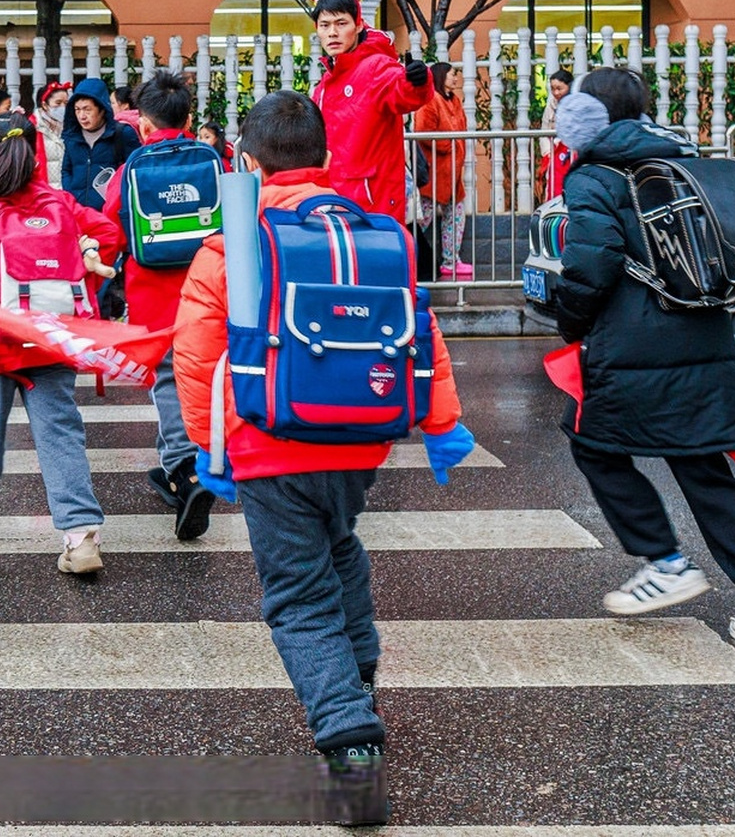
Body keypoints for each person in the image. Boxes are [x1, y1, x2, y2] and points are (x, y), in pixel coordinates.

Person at [174, 90, 473, 820]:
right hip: (361, 438)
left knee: (297, 594)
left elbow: (194, 354)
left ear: (242, 163)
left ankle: (349, 739)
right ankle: (358, 670)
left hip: (270, 443)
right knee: (338, 547)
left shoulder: (231, 246)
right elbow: (418, 328)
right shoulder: (375, 233)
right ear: (328, 158)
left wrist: (206, 452)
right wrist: (441, 425)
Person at [550, 66, 735, 644]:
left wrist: (569, 317)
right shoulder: (678, 156)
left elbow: (593, 262)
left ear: (584, 118)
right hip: (704, 335)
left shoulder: (595, 174)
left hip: (633, 342)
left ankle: (665, 563)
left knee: (593, 444)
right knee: (701, 463)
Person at [0, 113, 120, 574]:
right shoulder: (58, 201)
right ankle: (80, 537)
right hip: (48, 332)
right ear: (36, 153)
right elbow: (109, 233)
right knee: (60, 431)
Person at [98, 70, 220, 539]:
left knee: (168, 377)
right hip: (207, 287)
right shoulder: (212, 160)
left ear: (143, 126)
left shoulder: (133, 168)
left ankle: (183, 468)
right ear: (189, 118)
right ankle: (184, 457)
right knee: (203, 374)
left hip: (153, 294)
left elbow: (111, 226)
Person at [308, 0, 431, 224]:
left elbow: (404, 93)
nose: (332, 32)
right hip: (336, 198)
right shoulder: (326, 83)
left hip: (372, 203)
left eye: (341, 23)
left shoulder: (377, 66)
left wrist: (418, 80)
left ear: (359, 25)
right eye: (325, 25)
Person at [416, 62, 472, 279]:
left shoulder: (455, 101)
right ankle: (408, 255)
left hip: (453, 172)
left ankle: (451, 260)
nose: (455, 78)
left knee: (456, 216)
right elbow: (422, 131)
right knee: (423, 218)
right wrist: (448, 146)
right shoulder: (430, 100)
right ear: (441, 76)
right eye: (452, 74)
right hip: (435, 172)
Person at [59, 76, 140, 209]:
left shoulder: (122, 134)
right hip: (78, 213)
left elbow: (134, 172)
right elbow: (66, 170)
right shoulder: (72, 136)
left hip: (110, 213)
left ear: (102, 109)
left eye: (87, 109)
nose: (82, 116)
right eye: (77, 110)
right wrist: (71, 197)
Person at [541, 67, 574, 202]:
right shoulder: (550, 106)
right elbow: (544, 131)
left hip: (571, 153)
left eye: (559, 88)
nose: (556, 92)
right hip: (554, 154)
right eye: (553, 88)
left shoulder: (576, 105)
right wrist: (548, 153)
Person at [34, 80, 71, 188]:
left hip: (66, 193)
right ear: (45, 105)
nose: (63, 108)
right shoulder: (33, 128)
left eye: (66, 103)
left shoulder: (70, 127)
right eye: (58, 103)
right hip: (42, 193)